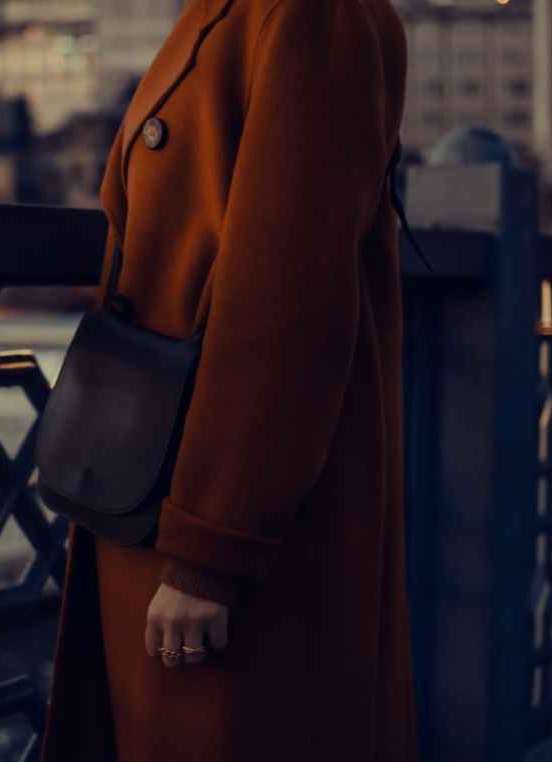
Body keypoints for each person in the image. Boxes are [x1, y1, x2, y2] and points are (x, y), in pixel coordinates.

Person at [38, 0, 416, 758]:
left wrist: (211, 550)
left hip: (228, 512)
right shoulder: (229, 13)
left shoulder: (309, 14)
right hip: (155, 485)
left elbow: (285, 294)